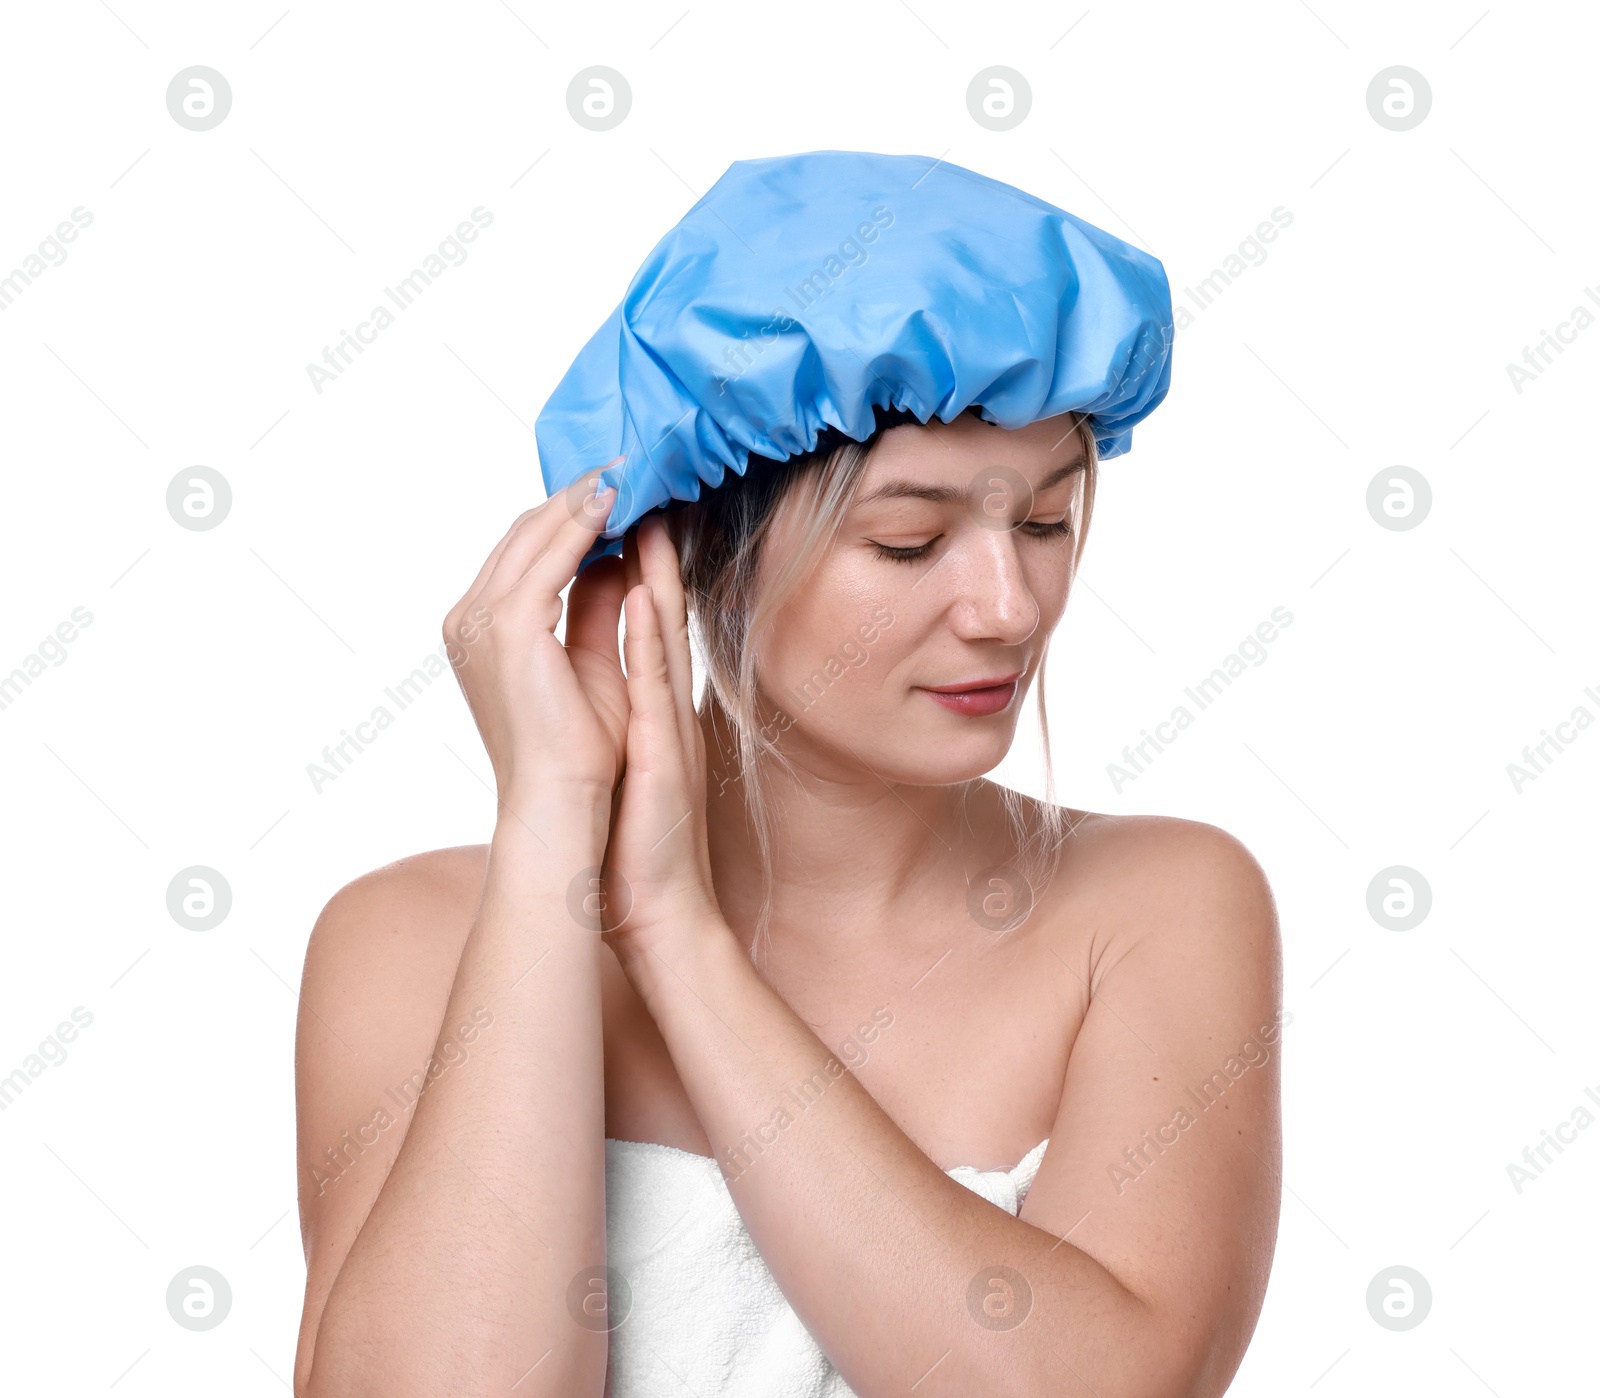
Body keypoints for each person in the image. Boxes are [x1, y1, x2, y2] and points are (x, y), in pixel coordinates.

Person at [291, 153, 1282, 1398]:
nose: (1007, 605)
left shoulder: (1158, 908)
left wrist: (675, 937)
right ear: (689, 547)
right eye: (908, 540)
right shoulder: (410, 942)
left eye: (1043, 521)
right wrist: (553, 838)